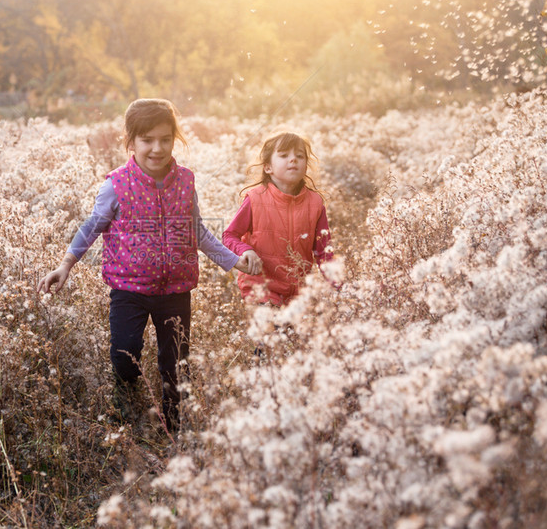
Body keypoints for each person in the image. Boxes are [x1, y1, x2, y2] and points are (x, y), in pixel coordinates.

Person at [37, 98, 259, 431]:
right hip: (128, 291)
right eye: (147, 139)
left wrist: (234, 261)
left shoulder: (185, 181)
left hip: (176, 290)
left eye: (165, 139)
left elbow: (197, 231)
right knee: (125, 356)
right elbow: (92, 226)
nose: (157, 148)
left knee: (176, 365)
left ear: (175, 139)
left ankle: (173, 428)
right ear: (130, 142)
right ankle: (128, 417)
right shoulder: (115, 185)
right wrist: (66, 265)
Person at [223, 131, 334, 307]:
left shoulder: (315, 203)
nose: (293, 160)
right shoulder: (255, 198)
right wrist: (245, 250)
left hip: (299, 293)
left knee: (295, 334)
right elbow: (229, 235)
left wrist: (338, 288)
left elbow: (324, 252)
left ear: (306, 166)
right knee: (270, 332)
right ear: (268, 167)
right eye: (284, 155)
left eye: (299, 156)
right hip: (260, 289)